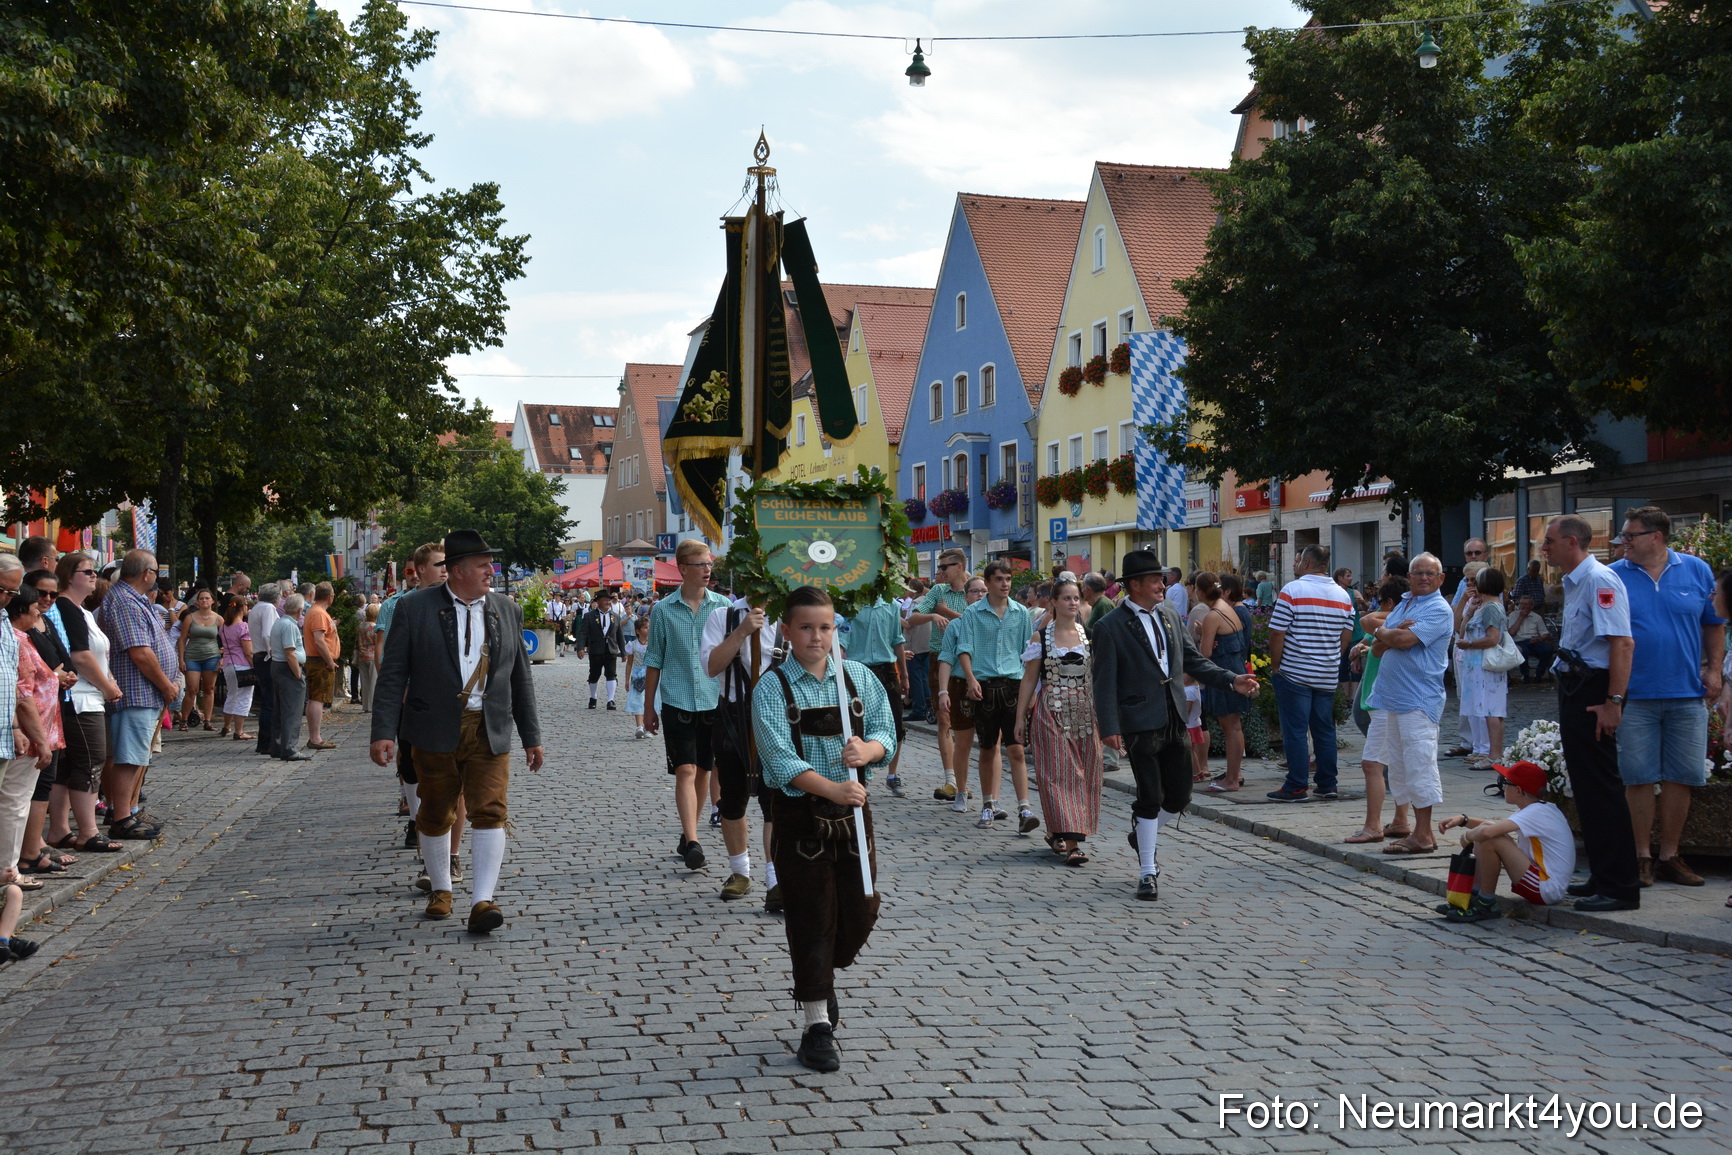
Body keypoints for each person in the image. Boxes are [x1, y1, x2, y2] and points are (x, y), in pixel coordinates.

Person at [749, 585, 897, 1074]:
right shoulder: (772, 687)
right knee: (812, 917)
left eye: (826, 627)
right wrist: (833, 788)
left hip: (854, 814)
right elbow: (779, 757)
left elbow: (886, 731)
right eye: (807, 628)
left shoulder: (856, 678)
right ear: (787, 632)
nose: (817, 636)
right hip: (800, 815)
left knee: (862, 908)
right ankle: (816, 1025)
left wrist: (868, 752)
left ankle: (822, 981)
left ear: (837, 629)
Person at [370, 530, 544, 934]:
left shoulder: (506, 609)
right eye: (483, 565)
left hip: (489, 726)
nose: (491, 571)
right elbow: (393, 675)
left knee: (491, 811)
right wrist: (383, 731)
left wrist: (531, 736)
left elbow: (521, 678)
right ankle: (442, 889)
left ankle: (483, 899)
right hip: (432, 726)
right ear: (458, 571)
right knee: (434, 811)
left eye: (490, 563)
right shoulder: (415, 608)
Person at [1093, 550, 1259, 901]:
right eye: (1155, 580)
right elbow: (1104, 681)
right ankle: (1148, 871)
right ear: (1134, 585)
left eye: (1162, 579)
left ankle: (1142, 834)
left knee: (1180, 795)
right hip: (1138, 720)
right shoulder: (1109, 627)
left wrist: (1232, 680)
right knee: (1150, 795)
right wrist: (1108, 727)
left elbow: (1195, 661)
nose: (1162, 584)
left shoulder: (1169, 614)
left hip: (1175, 717)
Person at [1608, 506, 1724, 889]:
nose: (1622, 542)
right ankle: (1641, 856)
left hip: (1686, 692)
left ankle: (1670, 856)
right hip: (1635, 694)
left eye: (1630, 535)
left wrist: (1713, 671)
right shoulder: (1614, 575)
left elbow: (1714, 625)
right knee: (1638, 777)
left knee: (1682, 777)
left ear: (1655, 537)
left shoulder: (1696, 570)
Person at [1540, 514, 1639, 912]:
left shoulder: (1600, 580)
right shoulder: (1575, 580)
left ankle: (1620, 886)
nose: (1543, 548)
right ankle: (1603, 874)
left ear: (1572, 542)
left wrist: (1613, 702)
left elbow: (1623, 644)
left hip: (1596, 690)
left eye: (1549, 541)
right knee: (1586, 786)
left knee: (1601, 787)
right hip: (1578, 685)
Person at [643, 539, 730, 872]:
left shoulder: (723, 607)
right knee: (685, 769)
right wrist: (649, 707)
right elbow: (654, 659)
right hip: (677, 699)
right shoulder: (664, 610)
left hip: (713, 700)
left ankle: (687, 833)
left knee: (704, 771)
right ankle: (693, 842)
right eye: (701, 565)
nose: (708, 570)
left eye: (710, 564)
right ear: (682, 569)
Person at [1362, 555, 1455, 854]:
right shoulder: (1405, 603)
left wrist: (1385, 632)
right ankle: (1412, 829)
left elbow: (1401, 640)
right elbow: (1378, 649)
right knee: (1400, 768)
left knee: (1420, 765)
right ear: (1409, 577)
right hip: (1393, 699)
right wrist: (1388, 633)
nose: (1424, 578)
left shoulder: (1439, 609)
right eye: (1418, 573)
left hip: (1418, 700)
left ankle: (1424, 834)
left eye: (1430, 573)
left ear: (1441, 579)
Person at [95, 550, 181, 840]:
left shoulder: (134, 599)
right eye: (156, 571)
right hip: (136, 691)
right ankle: (121, 816)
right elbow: (140, 653)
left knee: (137, 756)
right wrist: (166, 685)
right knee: (128, 757)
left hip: (146, 692)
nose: (157, 577)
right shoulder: (124, 601)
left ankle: (129, 810)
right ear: (146, 574)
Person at [702, 594, 782, 905]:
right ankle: (740, 872)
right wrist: (741, 633)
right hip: (733, 716)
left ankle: (775, 878)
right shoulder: (722, 617)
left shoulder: (789, 613)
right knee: (732, 799)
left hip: (778, 716)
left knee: (774, 799)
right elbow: (711, 667)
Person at [1016, 579, 1100, 865]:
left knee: (1085, 772)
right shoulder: (1041, 637)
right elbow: (1029, 679)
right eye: (1066, 598)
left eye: (1076, 598)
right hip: (1051, 711)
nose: (1072, 603)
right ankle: (1074, 844)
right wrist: (1020, 718)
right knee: (1061, 773)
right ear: (1053, 601)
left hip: (1085, 714)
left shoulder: (1088, 635)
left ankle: (1056, 832)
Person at [952, 561, 1038, 834]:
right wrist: (971, 679)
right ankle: (988, 803)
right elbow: (964, 649)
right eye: (999, 579)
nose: (1005, 584)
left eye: (1008, 579)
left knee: (1016, 749)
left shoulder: (1021, 613)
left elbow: (1029, 653)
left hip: (1013, 686)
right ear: (987, 583)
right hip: (985, 686)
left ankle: (1024, 808)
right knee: (988, 748)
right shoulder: (973, 613)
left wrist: (1031, 690)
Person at [47, 553, 123, 852]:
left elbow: (97, 653)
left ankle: (60, 829)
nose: (94, 576)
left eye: (94, 571)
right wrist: (106, 687)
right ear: (69, 576)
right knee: (90, 761)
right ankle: (87, 831)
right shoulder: (66, 608)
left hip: (91, 694)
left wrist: (109, 680)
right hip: (81, 698)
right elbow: (79, 656)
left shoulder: (82, 611)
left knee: (72, 766)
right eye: (87, 571)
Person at [1265, 545, 1354, 802]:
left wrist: (1276, 665)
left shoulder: (1292, 590)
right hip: (1326, 673)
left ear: (1305, 563)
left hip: (1295, 672)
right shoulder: (1342, 595)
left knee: (1295, 730)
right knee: (1324, 730)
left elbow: (1276, 632)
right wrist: (1331, 658)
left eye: (1297, 561)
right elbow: (1346, 636)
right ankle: (1327, 784)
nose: (1295, 565)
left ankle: (1295, 786)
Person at [1435, 760, 1576, 922]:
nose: (1502, 787)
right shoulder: (1539, 809)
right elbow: (1494, 826)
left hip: (1546, 888)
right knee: (1488, 834)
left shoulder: (1535, 812)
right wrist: (1463, 820)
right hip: (1546, 884)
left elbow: (1489, 832)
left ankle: (1485, 902)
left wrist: (1467, 837)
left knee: (1490, 839)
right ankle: (1471, 899)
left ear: (1518, 790)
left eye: (1505, 783)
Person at [1342, 575, 1413, 845]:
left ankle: (1372, 826)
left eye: (1380, 602)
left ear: (1390, 603)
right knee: (1395, 762)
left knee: (1373, 763)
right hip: (1385, 699)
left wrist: (1379, 632)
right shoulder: (1398, 625)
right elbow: (1377, 642)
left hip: (1384, 701)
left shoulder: (1396, 622)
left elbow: (1366, 621)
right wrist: (1366, 645)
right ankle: (1400, 820)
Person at [10, 570, 70, 881]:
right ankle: (19, 861)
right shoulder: (16, 639)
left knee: (27, 796)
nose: (40, 609)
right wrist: (26, 732)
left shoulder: (26, 637)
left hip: (44, 729)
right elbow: (21, 694)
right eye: (35, 605)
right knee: (16, 802)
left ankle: (28, 854)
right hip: (32, 734)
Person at [906, 549, 971, 801]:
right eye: (940, 565)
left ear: (961, 565)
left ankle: (965, 781)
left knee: (969, 725)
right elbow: (913, 618)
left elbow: (978, 621)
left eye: (946, 566)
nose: (941, 570)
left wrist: (946, 613)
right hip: (939, 657)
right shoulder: (937, 591)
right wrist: (933, 613)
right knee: (945, 720)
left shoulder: (975, 590)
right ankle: (951, 780)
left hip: (971, 661)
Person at [840, 594, 907, 798]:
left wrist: (904, 674)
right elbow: (842, 640)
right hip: (858, 669)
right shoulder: (850, 604)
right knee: (858, 723)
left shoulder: (892, 605)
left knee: (896, 722)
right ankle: (863, 774)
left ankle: (892, 774)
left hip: (886, 669)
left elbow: (897, 639)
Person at [933, 575, 986, 813]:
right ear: (966, 597)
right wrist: (943, 691)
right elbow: (945, 659)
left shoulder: (993, 622)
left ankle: (991, 798)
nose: (980, 595)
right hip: (960, 684)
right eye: (975, 591)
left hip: (988, 684)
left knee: (991, 743)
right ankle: (960, 790)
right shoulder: (956, 625)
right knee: (963, 742)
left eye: (984, 591)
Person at [1198, 573, 1254, 794]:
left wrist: (1201, 633)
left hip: (1224, 674)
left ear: (1200, 591)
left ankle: (1231, 778)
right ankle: (1234, 775)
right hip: (1235, 669)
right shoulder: (1228, 607)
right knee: (1235, 727)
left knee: (1230, 728)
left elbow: (1204, 653)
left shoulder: (1213, 614)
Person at [1455, 567, 1510, 771]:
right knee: (1487, 710)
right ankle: (1492, 752)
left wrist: (1470, 645)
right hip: (1477, 666)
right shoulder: (1482, 606)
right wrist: (1468, 612)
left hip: (1486, 666)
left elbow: (1493, 638)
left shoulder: (1491, 608)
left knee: (1491, 710)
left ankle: (1494, 754)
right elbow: (1462, 630)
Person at [269, 593, 311, 762]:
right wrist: (298, 674)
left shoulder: (279, 622)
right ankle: (289, 748)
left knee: (280, 709)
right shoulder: (290, 626)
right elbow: (290, 653)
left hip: (278, 667)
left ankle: (278, 745)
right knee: (292, 710)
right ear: (300, 610)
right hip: (287, 669)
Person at [175, 587, 222, 731]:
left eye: (207, 598)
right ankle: (184, 720)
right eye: (201, 598)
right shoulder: (190, 617)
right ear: (197, 601)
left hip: (212, 656)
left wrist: (223, 656)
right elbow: (182, 639)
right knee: (192, 689)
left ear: (213, 601)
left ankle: (207, 720)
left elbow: (227, 639)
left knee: (209, 689)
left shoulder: (219, 619)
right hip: (192, 656)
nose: (204, 601)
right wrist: (181, 659)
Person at [302, 582, 339, 750]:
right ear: (330, 597)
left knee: (315, 699)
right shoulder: (318, 613)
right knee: (318, 699)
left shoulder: (316, 612)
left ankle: (315, 737)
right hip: (320, 662)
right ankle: (315, 738)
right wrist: (330, 661)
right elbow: (319, 640)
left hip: (318, 660)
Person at [247, 583, 281, 757]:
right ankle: (267, 742)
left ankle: (264, 742)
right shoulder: (268, 609)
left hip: (258, 655)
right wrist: (273, 653)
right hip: (266, 657)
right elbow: (268, 634)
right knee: (270, 701)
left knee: (267, 700)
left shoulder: (256, 608)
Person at [579, 588, 626, 710]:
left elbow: (619, 635)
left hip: (611, 649)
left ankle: (611, 700)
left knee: (611, 674)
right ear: (598, 602)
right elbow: (583, 633)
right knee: (594, 674)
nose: (608, 602)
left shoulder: (615, 616)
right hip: (596, 649)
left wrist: (623, 652)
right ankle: (593, 697)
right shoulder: (589, 616)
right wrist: (580, 648)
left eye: (609, 600)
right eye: (605, 600)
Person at [217, 594, 255, 741]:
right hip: (242, 665)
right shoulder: (243, 627)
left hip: (228, 664)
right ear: (243, 607)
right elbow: (248, 651)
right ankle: (239, 731)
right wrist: (255, 665)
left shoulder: (224, 627)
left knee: (232, 695)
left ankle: (226, 726)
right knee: (244, 697)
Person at [902, 581, 933, 724]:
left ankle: (919, 709)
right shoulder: (927, 600)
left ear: (911, 590)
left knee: (915, 678)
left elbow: (909, 624)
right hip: (926, 644)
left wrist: (896, 617)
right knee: (923, 677)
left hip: (914, 645)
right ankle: (929, 707)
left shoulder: (915, 603)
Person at [1509, 594, 1554, 682]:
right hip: (1519, 641)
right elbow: (1512, 633)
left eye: (1526, 604)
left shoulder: (1537, 617)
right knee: (1523, 651)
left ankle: (1538, 674)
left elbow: (1545, 633)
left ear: (1531, 606)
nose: (1523, 606)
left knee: (1547, 650)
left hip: (1534, 640)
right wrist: (1521, 618)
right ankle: (1525, 675)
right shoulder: (1513, 615)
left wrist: (1539, 639)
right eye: (1521, 604)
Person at [624, 615, 652, 738]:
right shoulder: (632, 645)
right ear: (638, 631)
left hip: (651, 673)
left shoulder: (653, 644)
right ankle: (639, 726)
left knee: (650, 700)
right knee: (638, 700)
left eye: (649, 627)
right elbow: (629, 663)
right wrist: (627, 679)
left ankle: (648, 726)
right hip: (637, 674)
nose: (648, 630)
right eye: (645, 628)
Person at [357, 603, 380, 713]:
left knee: (364, 681)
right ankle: (371, 705)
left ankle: (365, 705)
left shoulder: (361, 626)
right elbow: (378, 643)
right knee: (373, 682)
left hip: (362, 655)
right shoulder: (375, 628)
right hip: (373, 656)